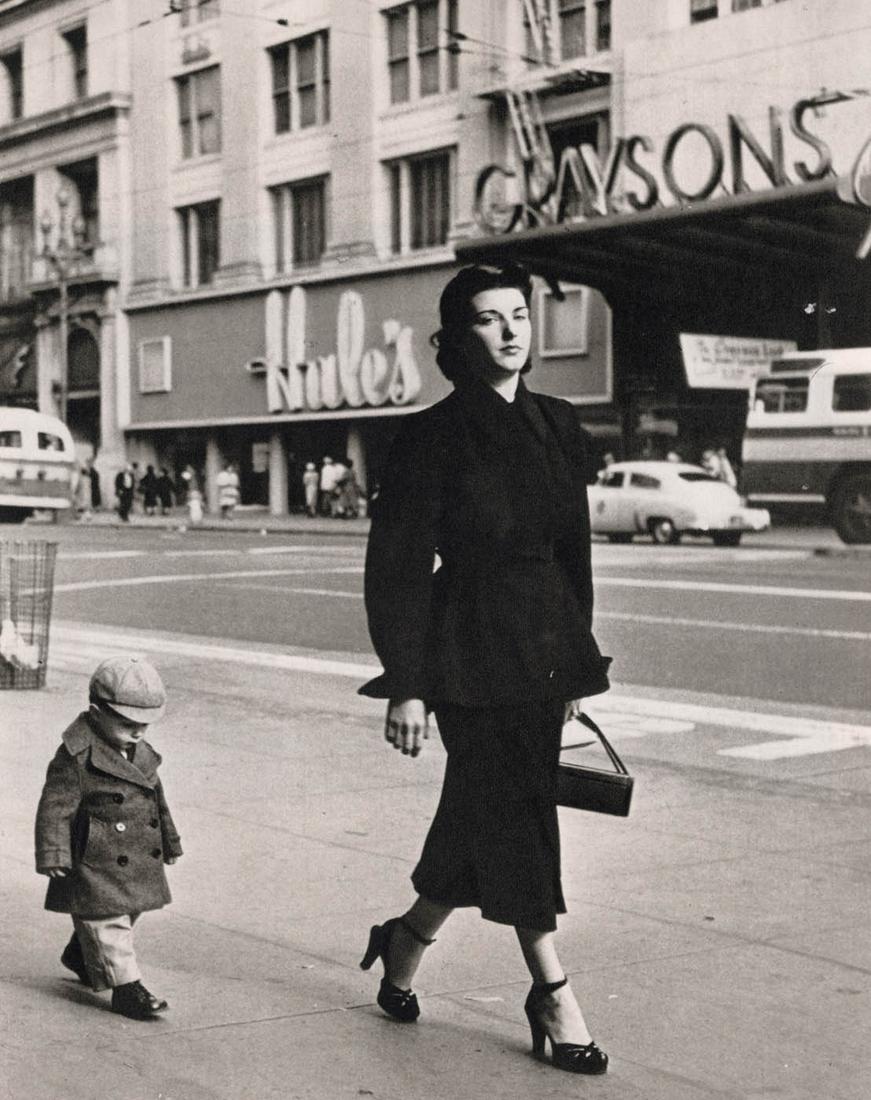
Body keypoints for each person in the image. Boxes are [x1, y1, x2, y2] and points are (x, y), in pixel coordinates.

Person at [359, 263, 612, 1076]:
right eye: (488, 319)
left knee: (485, 813)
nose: (510, 331)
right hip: (464, 652)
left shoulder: (559, 424)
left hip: (542, 650)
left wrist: (576, 660)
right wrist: (405, 681)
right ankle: (552, 990)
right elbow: (395, 566)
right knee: (516, 811)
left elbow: (572, 554)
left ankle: (403, 943)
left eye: (518, 316)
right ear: (455, 337)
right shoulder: (428, 437)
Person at [34, 656, 182, 1020]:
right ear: (96, 712)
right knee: (108, 918)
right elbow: (55, 806)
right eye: (127, 723)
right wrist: (54, 852)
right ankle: (128, 989)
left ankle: (81, 954)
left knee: (128, 910)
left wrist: (170, 839)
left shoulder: (141, 752)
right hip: (94, 857)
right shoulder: (76, 755)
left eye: (145, 725)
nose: (138, 732)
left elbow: (155, 800)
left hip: (133, 855)